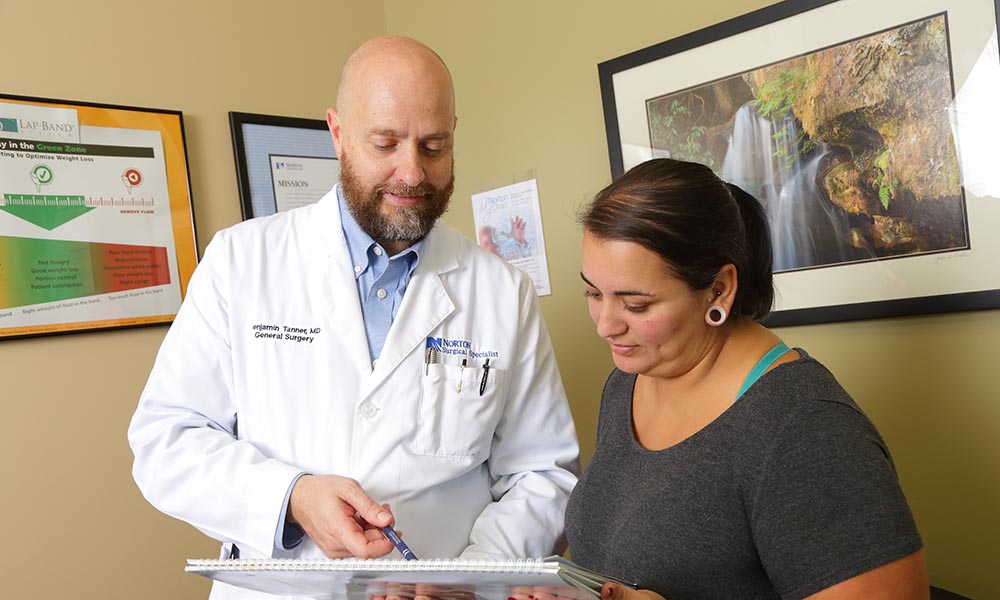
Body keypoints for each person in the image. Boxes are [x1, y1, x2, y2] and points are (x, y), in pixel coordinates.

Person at [128, 35, 579, 599]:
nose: (412, 173)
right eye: (385, 143)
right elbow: (166, 439)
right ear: (337, 133)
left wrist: (469, 575)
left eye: (434, 146)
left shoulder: (502, 291)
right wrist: (292, 498)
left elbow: (543, 474)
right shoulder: (240, 262)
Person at [564, 158, 927, 599]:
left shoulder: (807, 429)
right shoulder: (629, 381)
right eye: (593, 293)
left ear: (718, 290)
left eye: (635, 305)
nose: (605, 325)